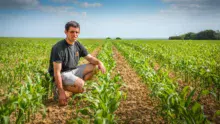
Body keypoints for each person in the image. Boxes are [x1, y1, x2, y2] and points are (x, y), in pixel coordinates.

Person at [48, 21, 106, 106]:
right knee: (83, 87)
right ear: (66, 32)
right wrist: (61, 92)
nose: (75, 34)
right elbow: (57, 72)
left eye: (77, 32)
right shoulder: (58, 48)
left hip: (73, 70)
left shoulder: (77, 44)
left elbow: (90, 58)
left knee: (95, 67)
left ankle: (76, 87)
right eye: (72, 32)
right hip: (62, 74)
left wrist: (100, 62)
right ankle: (59, 87)